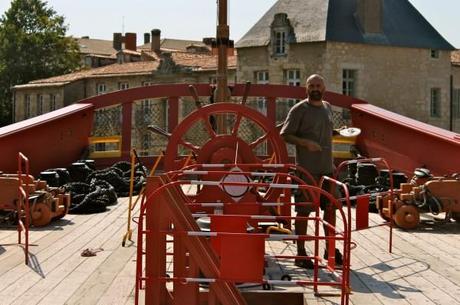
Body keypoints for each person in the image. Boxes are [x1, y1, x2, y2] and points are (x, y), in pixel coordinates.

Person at [280, 74, 343, 269]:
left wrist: (335, 132)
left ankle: (329, 249)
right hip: (307, 170)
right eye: (311, 85)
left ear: (324, 88)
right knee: (304, 211)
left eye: (318, 85)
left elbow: (323, 129)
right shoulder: (299, 109)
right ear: (306, 88)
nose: (315, 88)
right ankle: (300, 253)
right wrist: (305, 142)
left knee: (331, 210)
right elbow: (285, 134)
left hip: (327, 169)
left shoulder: (327, 106)